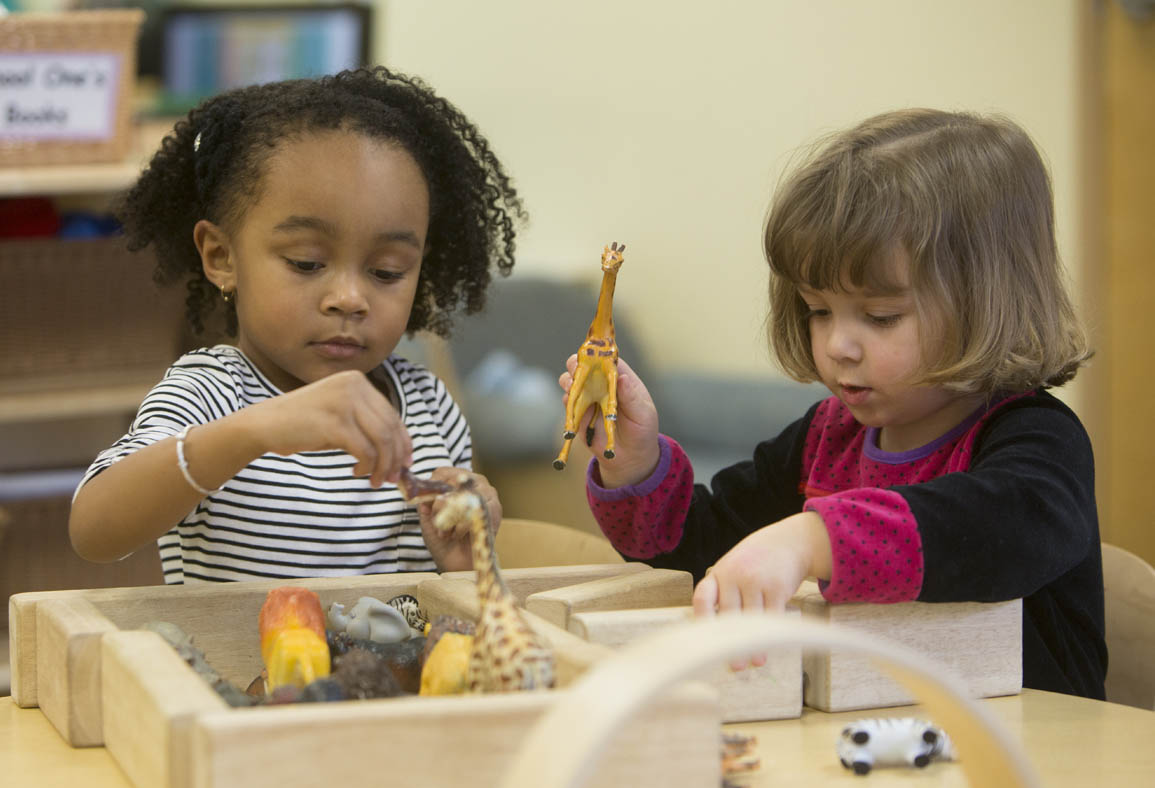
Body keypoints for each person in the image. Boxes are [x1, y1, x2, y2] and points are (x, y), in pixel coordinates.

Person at [561, 109, 1107, 699]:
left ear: (986, 304)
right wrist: (633, 463)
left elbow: (996, 532)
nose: (837, 346)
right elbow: (699, 549)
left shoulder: (1038, 440)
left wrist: (808, 541)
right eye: (818, 310)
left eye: (879, 317)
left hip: (1032, 751)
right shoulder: (828, 436)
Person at [70, 66, 525, 583]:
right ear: (221, 256)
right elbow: (94, 529)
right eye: (307, 263)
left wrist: (466, 561)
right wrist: (257, 430)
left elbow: (450, 605)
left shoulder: (429, 409)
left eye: (387, 272)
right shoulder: (210, 396)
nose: (350, 299)